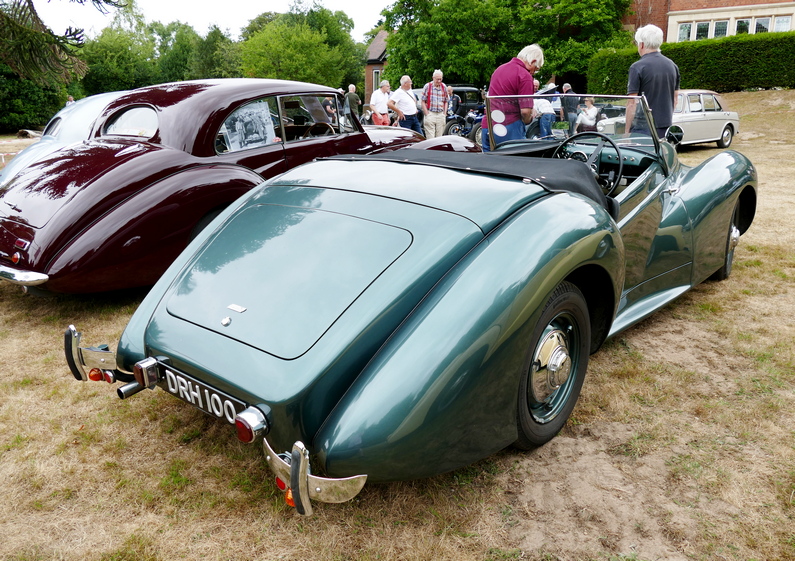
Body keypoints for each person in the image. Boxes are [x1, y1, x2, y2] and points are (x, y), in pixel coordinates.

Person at [481, 44, 544, 151]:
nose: (534, 72)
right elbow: (525, 112)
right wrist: (530, 118)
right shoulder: (524, 76)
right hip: (509, 128)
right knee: (515, 164)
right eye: (536, 68)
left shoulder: (499, 69)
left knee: (488, 165)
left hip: (488, 125)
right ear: (532, 61)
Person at [624, 24, 680, 138]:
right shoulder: (673, 66)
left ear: (642, 44)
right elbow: (675, 100)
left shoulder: (637, 67)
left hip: (644, 127)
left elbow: (632, 103)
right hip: (666, 126)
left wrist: (626, 132)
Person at [420, 69, 448, 139]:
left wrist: (444, 113)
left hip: (440, 114)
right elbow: (422, 101)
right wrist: (426, 113)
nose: (439, 81)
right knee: (430, 138)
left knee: (439, 138)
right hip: (430, 113)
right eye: (437, 79)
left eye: (440, 79)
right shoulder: (427, 86)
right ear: (433, 78)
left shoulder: (443, 87)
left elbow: (446, 101)